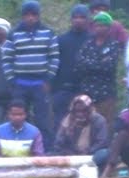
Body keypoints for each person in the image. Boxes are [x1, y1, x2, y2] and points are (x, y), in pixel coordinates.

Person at [2, 0, 60, 132]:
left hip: (40, 82)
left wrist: (48, 79)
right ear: (22, 16)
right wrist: (12, 80)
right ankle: (22, 144)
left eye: (33, 14)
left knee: (43, 118)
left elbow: (54, 58)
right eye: (27, 15)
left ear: (38, 16)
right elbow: (7, 59)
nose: (30, 18)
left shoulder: (48, 33)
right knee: (19, 116)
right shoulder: (14, 34)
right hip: (20, 82)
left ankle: (44, 147)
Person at [51, 6, 92, 136]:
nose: (78, 20)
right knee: (60, 122)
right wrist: (54, 89)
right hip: (63, 89)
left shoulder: (93, 40)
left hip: (85, 89)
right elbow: (54, 64)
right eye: (76, 17)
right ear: (71, 19)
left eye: (82, 17)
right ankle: (58, 149)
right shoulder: (61, 40)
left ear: (87, 20)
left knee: (84, 123)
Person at [76, 12, 124, 120]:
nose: (99, 28)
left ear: (108, 28)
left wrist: (90, 63)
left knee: (106, 125)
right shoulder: (87, 44)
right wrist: (100, 63)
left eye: (103, 25)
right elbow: (80, 64)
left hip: (106, 93)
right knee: (86, 124)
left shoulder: (114, 45)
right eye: (97, 25)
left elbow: (109, 66)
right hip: (87, 92)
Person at [53, 94, 109, 169]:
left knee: (104, 153)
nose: (80, 114)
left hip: (92, 155)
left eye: (84, 111)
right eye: (77, 111)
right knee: (50, 154)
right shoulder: (67, 121)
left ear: (90, 109)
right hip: (71, 156)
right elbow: (58, 144)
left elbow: (102, 142)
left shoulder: (99, 120)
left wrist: (88, 151)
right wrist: (69, 152)